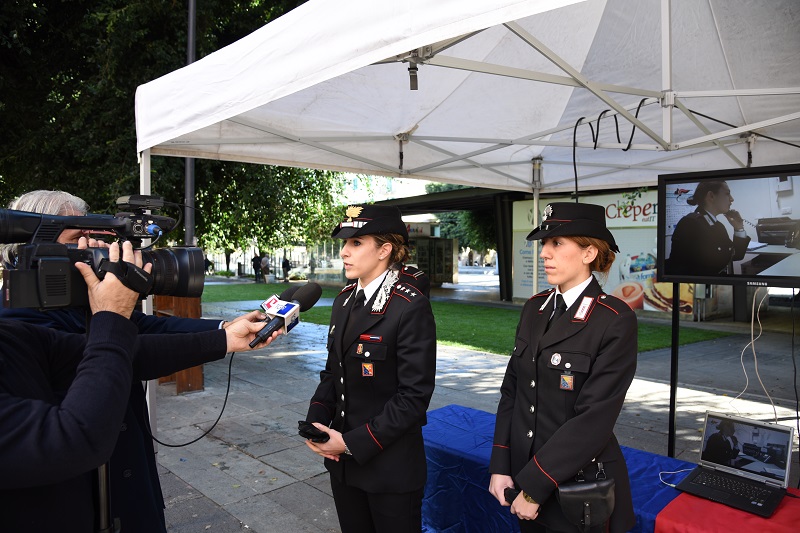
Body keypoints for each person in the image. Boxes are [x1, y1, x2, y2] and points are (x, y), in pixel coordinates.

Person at [0, 190, 271, 532]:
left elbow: (138, 343)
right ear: (32, 251)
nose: (93, 248)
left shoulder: (81, 303)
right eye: (77, 239)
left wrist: (226, 333)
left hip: (130, 487)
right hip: (77, 499)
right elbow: (84, 408)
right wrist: (111, 314)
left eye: (94, 237)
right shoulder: (16, 318)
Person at [488, 202, 637, 533]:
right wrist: (501, 465)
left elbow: (593, 418)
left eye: (557, 243)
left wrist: (534, 486)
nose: (544, 253)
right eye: (544, 244)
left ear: (588, 253)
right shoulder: (534, 309)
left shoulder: (613, 320)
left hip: (577, 490)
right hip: (524, 480)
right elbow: (512, 392)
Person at [303, 204, 436, 533]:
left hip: (389, 470)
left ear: (385, 250)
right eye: (344, 243)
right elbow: (333, 373)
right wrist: (316, 421)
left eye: (356, 243)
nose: (344, 251)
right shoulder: (345, 300)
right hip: (344, 466)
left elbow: (414, 397)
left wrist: (350, 443)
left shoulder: (409, 306)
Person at [665, 180, 751, 276]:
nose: (732, 199)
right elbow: (680, 269)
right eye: (727, 194)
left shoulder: (718, 226)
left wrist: (739, 228)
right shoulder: (690, 223)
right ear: (711, 196)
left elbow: (735, 255)